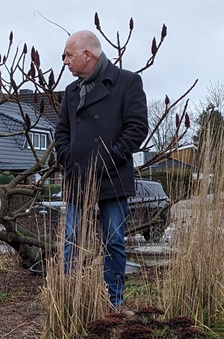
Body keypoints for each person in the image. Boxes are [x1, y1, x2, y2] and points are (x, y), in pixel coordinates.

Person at [53, 30, 148, 309]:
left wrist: (109, 159)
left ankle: (113, 302)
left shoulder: (127, 82)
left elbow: (137, 128)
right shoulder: (71, 92)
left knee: (114, 241)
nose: (65, 62)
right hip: (77, 177)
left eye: (68, 55)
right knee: (71, 239)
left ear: (87, 55)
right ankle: (72, 299)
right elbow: (62, 132)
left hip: (112, 176)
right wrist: (68, 157)